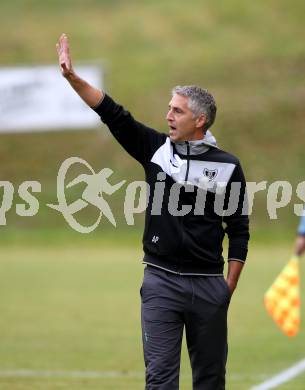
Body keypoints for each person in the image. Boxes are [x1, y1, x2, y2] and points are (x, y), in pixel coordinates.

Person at [56, 33, 250, 390]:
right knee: (160, 382)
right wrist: (72, 77)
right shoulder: (156, 149)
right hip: (161, 282)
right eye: (169, 108)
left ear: (201, 120)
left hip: (209, 286)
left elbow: (239, 230)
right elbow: (113, 114)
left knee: (210, 381)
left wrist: (228, 287)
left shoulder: (228, 166)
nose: (168, 116)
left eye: (178, 110)